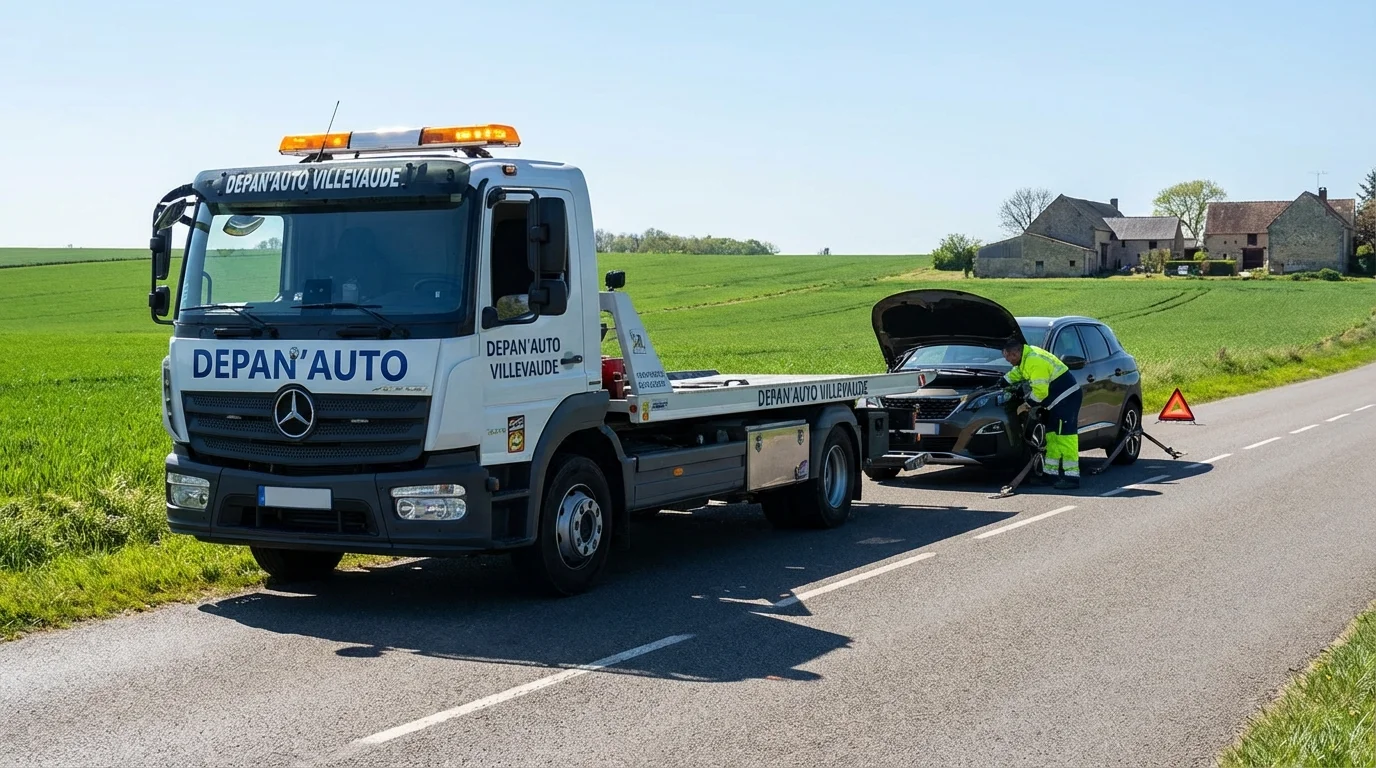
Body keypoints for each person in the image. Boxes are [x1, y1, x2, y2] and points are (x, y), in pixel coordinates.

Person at [1001, 336, 1082, 490]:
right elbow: (1018, 373)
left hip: (1066, 399)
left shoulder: (1034, 360)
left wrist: (1026, 405)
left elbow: (1040, 392)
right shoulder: (1025, 357)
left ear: (1015, 353)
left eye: (1008, 358)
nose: (1007, 361)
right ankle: (1050, 474)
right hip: (1058, 401)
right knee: (1052, 437)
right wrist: (1003, 382)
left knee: (1065, 437)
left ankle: (1072, 477)